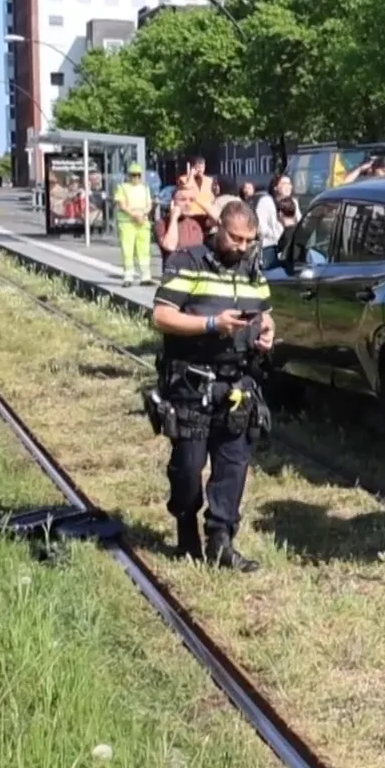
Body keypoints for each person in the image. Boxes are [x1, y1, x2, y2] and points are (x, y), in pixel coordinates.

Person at [148, 201, 275, 571]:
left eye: (249, 240)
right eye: (236, 238)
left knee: (233, 467)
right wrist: (211, 325)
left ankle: (221, 541)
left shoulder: (253, 270)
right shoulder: (187, 262)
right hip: (191, 383)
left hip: (238, 383)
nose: (242, 246)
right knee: (188, 468)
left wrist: (267, 333)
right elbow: (162, 315)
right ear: (219, 228)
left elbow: (266, 314)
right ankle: (185, 529)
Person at [113, 162, 156, 286]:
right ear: (129, 175)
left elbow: (149, 204)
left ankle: (145, 277)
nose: (136, 178)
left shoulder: (145, 188)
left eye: (138, 175)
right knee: (128, 250)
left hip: (142, 222)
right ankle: (128, 277)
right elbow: (122, 204)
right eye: (133, 175)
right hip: (127, 223)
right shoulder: (122, 187)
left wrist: (143, 214)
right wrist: (135, 215)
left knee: (144, 250)